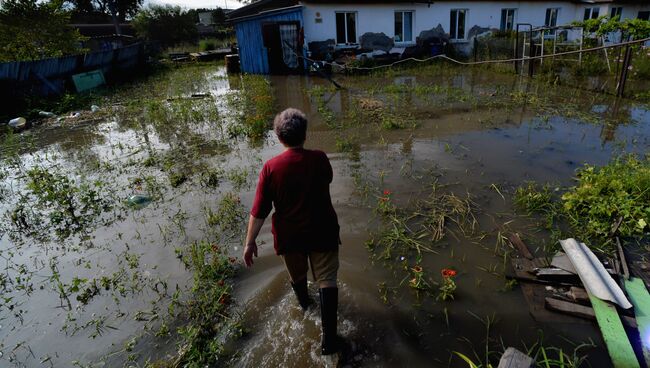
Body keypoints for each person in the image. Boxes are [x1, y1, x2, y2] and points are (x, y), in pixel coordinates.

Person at [242, 108, 341, 355]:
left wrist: (249, 242)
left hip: (290, 237)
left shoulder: (270, 168)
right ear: (305, 135)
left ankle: (306, 308)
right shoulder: (319, 159)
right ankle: (329, 340)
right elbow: (326, 180)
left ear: (278, 137)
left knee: (298, 278)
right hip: (323, 231)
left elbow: (258, 211)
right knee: (327, 280)